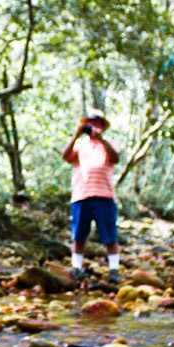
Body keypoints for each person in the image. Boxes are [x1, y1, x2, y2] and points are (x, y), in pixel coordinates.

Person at [61, 109, 121, 285]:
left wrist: (101, 139)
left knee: (110, 235)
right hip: (81, 195)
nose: (94, 126)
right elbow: (65, 157)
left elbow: (115, 158)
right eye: (90, 122)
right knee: (78, 235)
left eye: (97, 123)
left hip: (105, 195)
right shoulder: (79, 144)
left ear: (103, 126)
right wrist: (76, 134)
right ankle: (76, 268)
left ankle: (114, 270)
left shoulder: (109, 143)